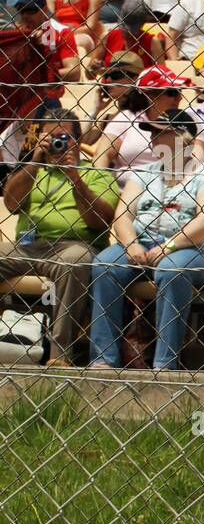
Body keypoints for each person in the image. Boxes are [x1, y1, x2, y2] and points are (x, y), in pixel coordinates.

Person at [88, 110, 204, 372]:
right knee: (105, 265)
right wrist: (130, 244)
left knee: (172, 270)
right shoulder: (143, 174)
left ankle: (164, 363)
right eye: (152, 133)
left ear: (183, 137)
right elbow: (123, 215)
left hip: (193, 250)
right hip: (143, 243)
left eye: (160, 133)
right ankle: (104, 358)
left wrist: (169, 246)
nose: (152, 139)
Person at [0, 110, 118, 367]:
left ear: (77, 140)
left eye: (63, 137)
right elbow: (11, 204)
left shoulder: (96, 173)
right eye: (49, 136)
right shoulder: (31, 170)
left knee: (75, 261)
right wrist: (34, 162)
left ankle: (59, 355)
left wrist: (75, 178)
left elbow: (99, 221)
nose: (57, 142)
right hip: (27, 247)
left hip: (73, 247)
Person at [96, 65, 193, 171]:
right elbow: (102, 155)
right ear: (149, 95)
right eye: (172, 93)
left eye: (179, 91)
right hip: (124, 185)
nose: (179, 98)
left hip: (172, 183)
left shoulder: (185, 121)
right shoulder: (127, 117)